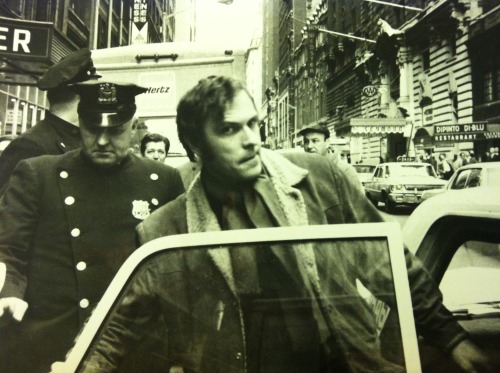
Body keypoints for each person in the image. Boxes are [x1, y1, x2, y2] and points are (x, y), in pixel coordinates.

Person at [78, 76, 492, 373]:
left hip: (340, 358)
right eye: (229, 130)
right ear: (195, 146)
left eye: (252, 124)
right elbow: (125, 320)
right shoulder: (163, 229)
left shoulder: (320, 178)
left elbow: (387, 266)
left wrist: (451, 339)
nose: (251, 140)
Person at [0, 80, 185, 373]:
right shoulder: (38, 173)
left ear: (134, 127)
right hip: (53, 342)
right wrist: (9, 292)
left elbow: (177, 271)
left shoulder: (163, 180)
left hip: (132, 347)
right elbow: (10, 249)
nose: (101, 140)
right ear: (79, 123)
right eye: (92, 129)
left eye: (114, 131)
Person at [0, 48, 100, 194]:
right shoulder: (29, 146)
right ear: (81, 96)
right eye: (94, 92)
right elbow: (8, 211)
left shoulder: (82, 137)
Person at [298, 123, 362, 190]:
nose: (309, 146)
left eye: (315, 141)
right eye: (306, 141)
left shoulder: (344, 170)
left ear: (327, 143)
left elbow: (359, 199)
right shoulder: (301, 170)